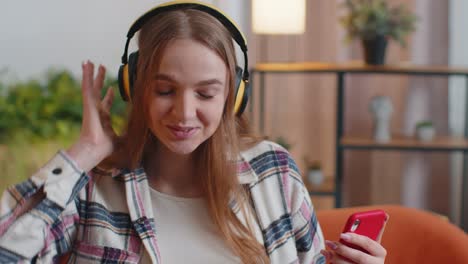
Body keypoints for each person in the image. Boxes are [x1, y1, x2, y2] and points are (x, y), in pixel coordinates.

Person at [0, 1, 387, 263]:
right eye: (165, 90)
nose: (184, 114)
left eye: (206, 93)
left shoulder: (274, 172)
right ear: (134, 87)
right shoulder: (91, 188)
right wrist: (84, 152)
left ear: (234, 97)